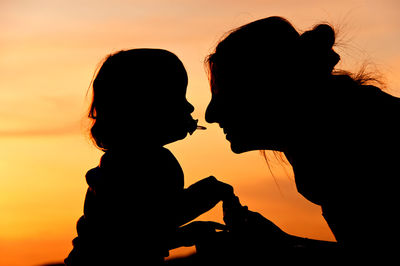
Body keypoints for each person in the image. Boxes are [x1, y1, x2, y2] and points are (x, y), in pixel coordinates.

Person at [204, 16, 399, 262]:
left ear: (267, 88)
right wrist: (283, 243)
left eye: (224, 91)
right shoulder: (343, 128)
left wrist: (280, 247)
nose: (211, 115)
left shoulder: (360, 138)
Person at [64, 48, 235, 265]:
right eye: (178, 97)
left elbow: (146, 228)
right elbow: (142, 225)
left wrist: (186, 231)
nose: (190, 107)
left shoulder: (127, 161)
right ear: (146, 108)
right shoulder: (134, 165)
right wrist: (209, 192)